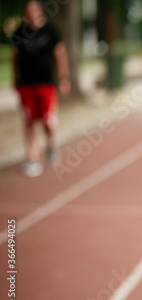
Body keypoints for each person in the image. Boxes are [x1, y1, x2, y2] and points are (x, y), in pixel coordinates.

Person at [10, 0, 71, 177]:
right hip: (26, 84)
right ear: (25, 12)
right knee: (28, 121)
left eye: (35, 9)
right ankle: (32, 157)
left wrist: (63, 78)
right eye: (28, 10)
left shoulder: (51, 30)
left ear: (40, 10)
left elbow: (60, 55)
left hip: (46, 83)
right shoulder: (19, 32)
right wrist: (15, 79)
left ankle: (51, 143)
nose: (32, 13)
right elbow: (15, 57)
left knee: (47, 120)